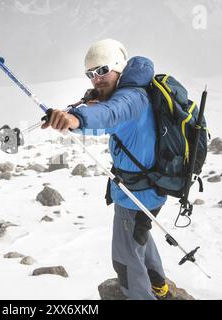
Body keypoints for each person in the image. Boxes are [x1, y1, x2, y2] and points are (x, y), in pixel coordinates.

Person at [41, 39, 170, 300]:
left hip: (136, 195)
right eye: (90, 74)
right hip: (147, 191)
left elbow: (109, 114)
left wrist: (76, 120)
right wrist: (70, 112)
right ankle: (160, 288)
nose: (96, 79)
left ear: (119, 68)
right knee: (139, 236)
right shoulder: (134, 91)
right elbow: (103, 107)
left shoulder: (130, 99)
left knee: (125, 260)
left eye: (102, 70)